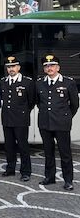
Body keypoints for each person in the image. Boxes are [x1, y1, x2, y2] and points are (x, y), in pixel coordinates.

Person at [36, 54, 79, 190]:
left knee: (65, 153)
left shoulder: (68, 82)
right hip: (45, 123)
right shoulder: (39, 83)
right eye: (47, 66)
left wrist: (65, 117)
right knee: (48, 153)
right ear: (44, 69)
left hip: (61, 124)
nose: (49, 68)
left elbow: (74, 104)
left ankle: (68, 180)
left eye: (52, 65)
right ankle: (50, 177)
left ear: (58, 67)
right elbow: (38, 102)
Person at [0, 56, 35, 181]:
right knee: (9, 146)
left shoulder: (27, 82)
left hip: (21, 120)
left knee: (23, 146)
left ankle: (26, 171)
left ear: (18, 67)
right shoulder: (3, 81)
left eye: (13, 66)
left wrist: (23, 113)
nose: (11, 69)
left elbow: (31, 102)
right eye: (8, 67)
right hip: (7, 119)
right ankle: (10, 169)